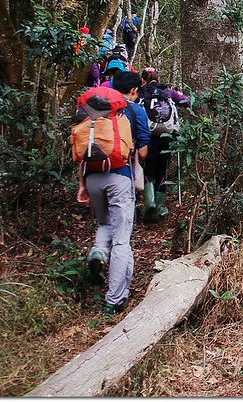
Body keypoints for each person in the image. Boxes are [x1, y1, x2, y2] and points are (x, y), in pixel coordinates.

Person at [76, 72, 150, 315]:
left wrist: (82, 185)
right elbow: (139, 153)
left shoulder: (90, 114)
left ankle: (98, 251)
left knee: (104, 222)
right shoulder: (128, 114)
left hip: (92, 178)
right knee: (122, 237)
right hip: (118, 177)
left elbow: (82, 154)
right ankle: (115, 299)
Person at [138, 67, 189, 222]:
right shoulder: (168, 92)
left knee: (148, 168)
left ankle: (149, 203)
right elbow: (187, 101)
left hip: (148, 136)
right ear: (158, 79)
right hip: (167, 137)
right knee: (162, 171)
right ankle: (159, 208)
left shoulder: (141, 92)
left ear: (143, 79)